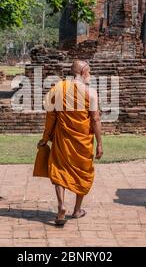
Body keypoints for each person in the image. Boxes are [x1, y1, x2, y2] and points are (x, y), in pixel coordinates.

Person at [37, 60, 103, 226]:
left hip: (62, 138)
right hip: (83, 141)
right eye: (89, 72)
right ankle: (77, 210)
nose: (90, 75)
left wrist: (45, 138)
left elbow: (51, 117)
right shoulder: (91, 93)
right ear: (82, 73)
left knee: (59, 170)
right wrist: (100, 143)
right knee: (83, 171)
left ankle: (61, 206)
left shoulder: (59, 89)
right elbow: (95, 119)